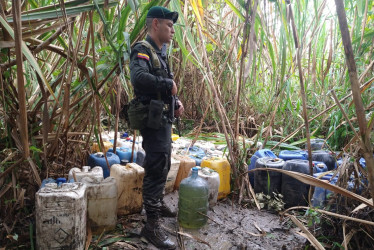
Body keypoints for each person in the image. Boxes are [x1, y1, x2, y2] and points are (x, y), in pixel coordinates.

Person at [129, 6, 184, 250]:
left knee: (163, 162)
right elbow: (139, 78)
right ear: (155, 25)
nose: (172, 30)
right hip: (152, 120)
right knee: (156, 163)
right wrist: (168, 83)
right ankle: (151, 226)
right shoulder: (143, 49)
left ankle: (156, 202)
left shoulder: (160, 53)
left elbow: (163, 87)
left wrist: (176, 101)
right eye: (169, 25)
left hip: (162, 118)